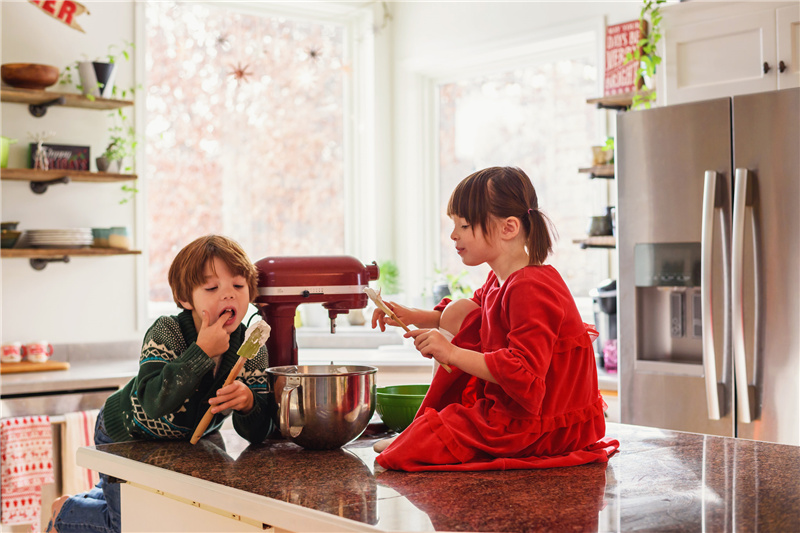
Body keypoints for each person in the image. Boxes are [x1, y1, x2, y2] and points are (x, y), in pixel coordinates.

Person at [371, 166, 619, 471]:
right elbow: (471, 313)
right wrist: (408, 316)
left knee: (415, 445)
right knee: (462, 310)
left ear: (508, 228)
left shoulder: (531, 287)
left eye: (464, 224)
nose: (453, 234)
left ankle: (425, 434)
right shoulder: (501, 281)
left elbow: (524, 373)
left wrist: (450, 352)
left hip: (543, 425)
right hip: (523, 415)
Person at [48, 235, 275, 533]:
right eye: (211, 288)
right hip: (127, 436)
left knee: (178, 516)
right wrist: (201, 353)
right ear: (185, 298)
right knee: (131, 525)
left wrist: (248, 403)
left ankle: (98, 497)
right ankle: (65, 512)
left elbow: (258, 433)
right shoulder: (168, 331)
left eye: (238, 286)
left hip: (189, 440)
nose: (228, 295)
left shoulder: (251, 346)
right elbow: (153, 403)